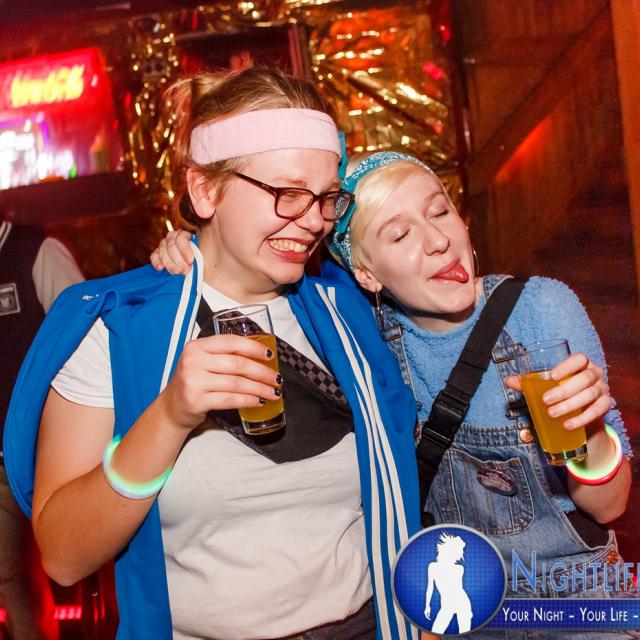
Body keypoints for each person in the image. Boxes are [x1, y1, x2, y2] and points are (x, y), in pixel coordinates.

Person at [3, 67, 425, 640]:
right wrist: (169, 416)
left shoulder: (343, 312)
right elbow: (63, 556)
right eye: (287, 193)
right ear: (205, 191)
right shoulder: (119, 332)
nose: (312, 222)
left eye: (326, 198)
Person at [155, 150, 633, 640]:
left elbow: (610, 505)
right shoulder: (366, 344)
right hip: (460, 612)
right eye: (400, 235)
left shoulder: (538, 308)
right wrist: (191, 250)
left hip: (576, 601)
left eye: (440, 212)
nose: (438, 241)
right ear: (367, 275)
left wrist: (591, 432)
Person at [1, 217, 84, 640]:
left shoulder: (35, 250)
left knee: (17, 571)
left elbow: (87, 334)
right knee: (11, 572)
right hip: (4, 454)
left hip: (40, 449)